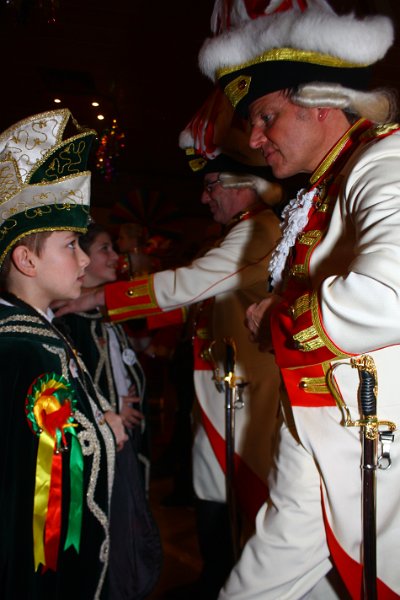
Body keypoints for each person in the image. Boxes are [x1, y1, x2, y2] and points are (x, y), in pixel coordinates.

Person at [197, 1, 400, 598]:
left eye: (266, 117)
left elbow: (389, 295)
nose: (255, 139)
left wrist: (283, 319)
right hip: (318, 439)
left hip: (373, 455)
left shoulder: (385, 161)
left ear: (320, 102)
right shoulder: (328, 183)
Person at [56, 153, 283, 597]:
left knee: (241, 490)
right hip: (222, 386)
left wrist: (101, 298)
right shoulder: (237, 232)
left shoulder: (259, 229)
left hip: (248, 390)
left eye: (212, 185)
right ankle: (215, 577)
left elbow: (193, 284)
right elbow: (196, 303)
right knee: (212, 484)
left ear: (243, 185)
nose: (204, 197)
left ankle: (231, 582)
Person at [0, 109, 129, 599]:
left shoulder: (35, 333)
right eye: (71, 245)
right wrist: (105, 429)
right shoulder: (27, 351)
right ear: (26, 259)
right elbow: (48, 497)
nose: (84, 259)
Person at [57, 223, 162, 599]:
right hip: (106, 443)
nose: (115, 257)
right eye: (105, 248)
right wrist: (113, 408)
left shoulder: (102, 312)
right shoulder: (70, 320)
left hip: (125, 435)